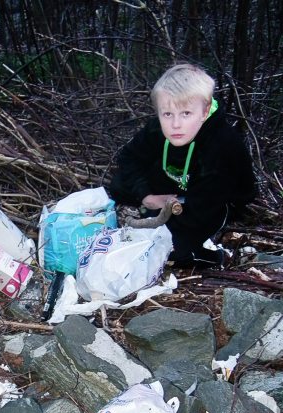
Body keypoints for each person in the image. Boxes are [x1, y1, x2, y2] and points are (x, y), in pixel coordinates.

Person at [109, 63, 256, 268]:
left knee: (173, 252)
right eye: (167, 114)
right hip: (176, 188)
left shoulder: (222, 145)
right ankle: (149, 213)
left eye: (186, 113)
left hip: (212, 200)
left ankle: (216, 255)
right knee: (118, 184)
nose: (176, 124)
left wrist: (162, 225)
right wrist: (146, 196)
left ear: (204, 112)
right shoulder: (157, 129)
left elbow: (232, 196)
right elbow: (129, 158)